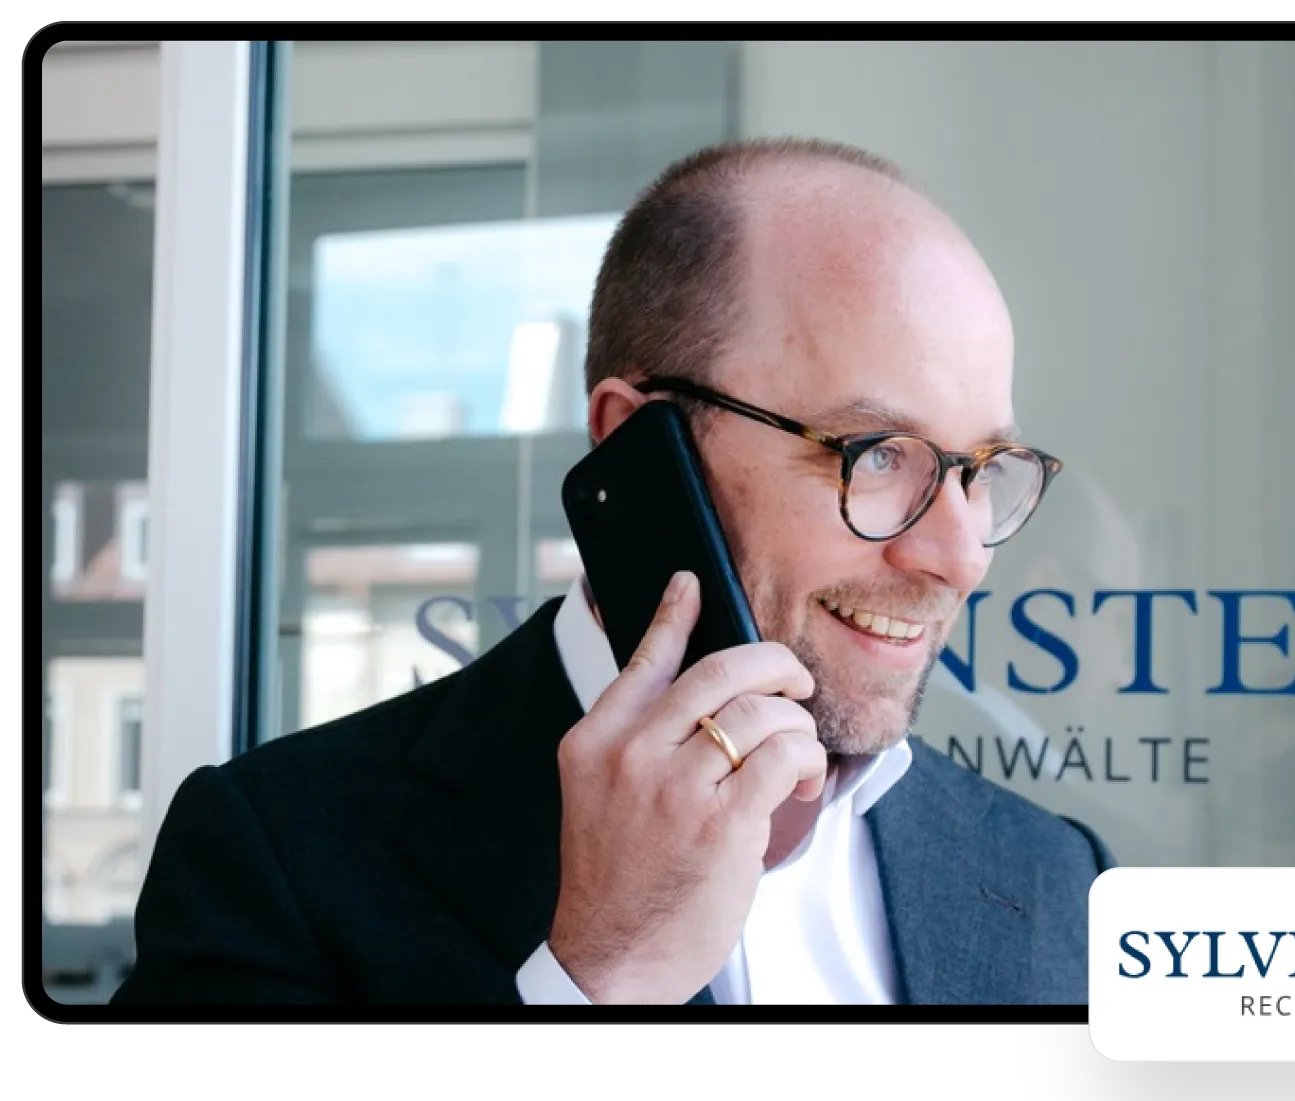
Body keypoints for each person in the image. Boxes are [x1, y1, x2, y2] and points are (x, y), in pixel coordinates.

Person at [111, 136, 1116, 1007]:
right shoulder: (278, 854)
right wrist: (599, 978)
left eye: (983, 469)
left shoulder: (1055, 877)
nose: (959, 557)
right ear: (636, 446)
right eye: (877, 455)